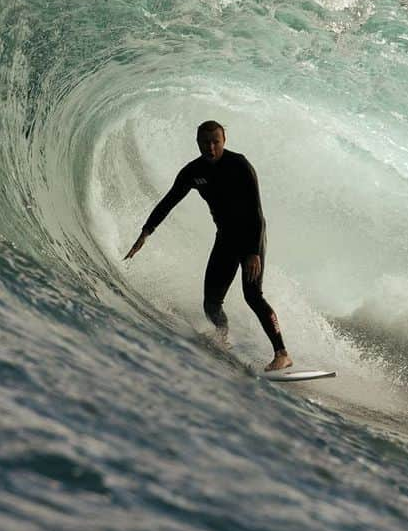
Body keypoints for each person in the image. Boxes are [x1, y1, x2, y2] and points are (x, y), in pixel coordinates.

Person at [124, 121, 292, 371]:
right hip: (225, 237)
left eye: (216, 142)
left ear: (224, 140)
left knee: (253, 295)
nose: (211, 147)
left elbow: (255, 211)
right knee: (211, 303)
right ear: (198, 142)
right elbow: (169, 201)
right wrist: (146, 232)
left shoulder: (240, 165)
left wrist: (253, 252)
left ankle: (282, 353)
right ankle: (222, 339)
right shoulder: (193, 171)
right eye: (205, 142)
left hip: (250, 237)